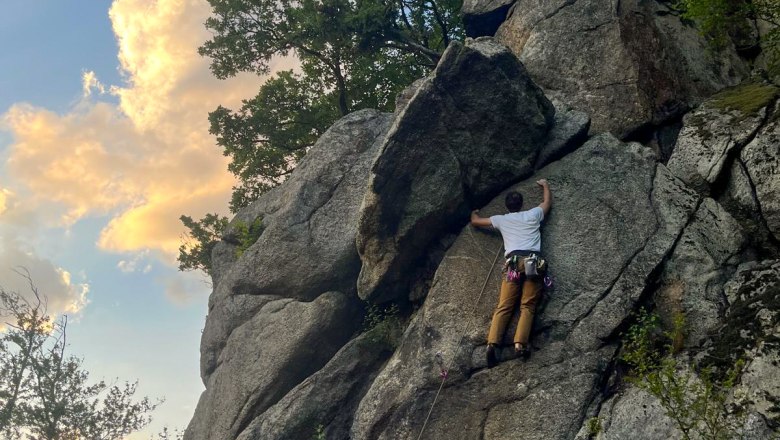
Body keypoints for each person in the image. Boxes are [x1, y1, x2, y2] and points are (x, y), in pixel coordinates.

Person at [470, 179, 551, 367]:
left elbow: (475, 222)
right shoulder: (533, 214)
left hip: (513, 264)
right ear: (521, 204)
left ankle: (492, 344)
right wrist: (545, 185)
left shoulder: (501, 219)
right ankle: (519, 344)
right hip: (533, 263)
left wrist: (474, 212)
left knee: (505, 305)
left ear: (507, 206)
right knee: (528, 305)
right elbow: (547, 203)